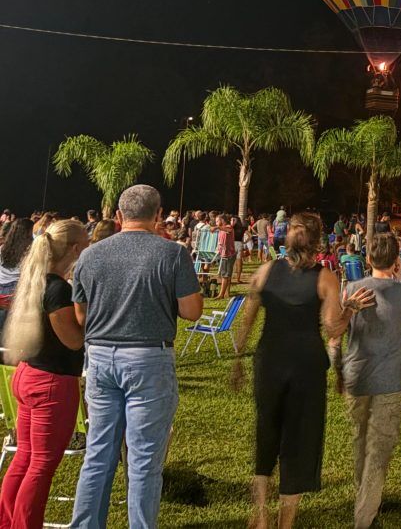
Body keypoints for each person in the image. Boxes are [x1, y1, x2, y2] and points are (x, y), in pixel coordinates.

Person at [69, 185, 203, 529]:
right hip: (147, 358)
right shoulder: (172, 254)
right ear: (159, 215)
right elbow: (191, 311)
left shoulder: (90, 255)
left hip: (99, 358)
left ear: (118, 216)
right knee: (143, 459)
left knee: (99, 453)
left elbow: (81, 316)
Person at [232, 212, 369, 529]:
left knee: (266, 433)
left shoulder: (266, 271)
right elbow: (333, 327)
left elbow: (248, 318)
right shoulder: (325, 278)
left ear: (288, 238)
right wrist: (350, 308)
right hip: (306, 367)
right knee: (299, 441)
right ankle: (285, 521)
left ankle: (260, 514)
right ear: (317, 241)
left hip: (269, 361)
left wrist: (238, 360)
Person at [330, 232, 401, 529]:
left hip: (356, 375)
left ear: (367, 259)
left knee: (361, 438)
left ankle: (365, 497)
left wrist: (349, 307)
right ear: (397, 259)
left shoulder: (353, 288)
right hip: (391, 379)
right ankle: (364, 516)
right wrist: (398, 278)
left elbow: (335, 329)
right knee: (378, 449)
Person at [0, 220, 88, 529]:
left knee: (24, 457)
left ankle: (7, 521)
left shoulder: (34, 280)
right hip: (52, 382)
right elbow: (73, 340)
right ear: (75, 249)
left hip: (28, 374)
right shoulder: (58, 290)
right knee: (41, 465)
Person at [0, 218, 34, 336]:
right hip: (16, 288)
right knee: (8, 330)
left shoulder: (2, 248)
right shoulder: (30, 251)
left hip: (1, 287)